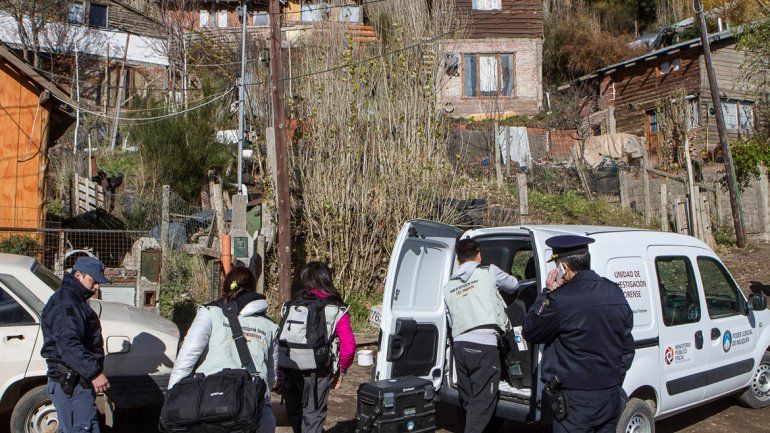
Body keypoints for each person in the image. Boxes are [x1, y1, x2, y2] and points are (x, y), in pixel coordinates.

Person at [523, 235, 635, 433]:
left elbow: (531, 330)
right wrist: (614, 379)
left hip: (574, 399)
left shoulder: (560, 300)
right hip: (609, 393)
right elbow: (626, 347)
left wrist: (546, 293)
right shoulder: (615, 292)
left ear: (563, 268)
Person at [169, 266, 278, 433]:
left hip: (211, 408)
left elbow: (187, 358)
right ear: (253, 288)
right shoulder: (270, 326)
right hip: (254, 414)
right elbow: (271, 377)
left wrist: (172, 400)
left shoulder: (210, 313)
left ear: (226, 288)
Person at [442, 238, 520, 433]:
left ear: (458, 260)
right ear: (479, 256)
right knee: (484, 400)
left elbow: (450, 317)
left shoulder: (448, 286)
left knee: (470, 399)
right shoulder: (489, 271)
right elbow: (514, 285)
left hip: (460, 347)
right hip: (484, 346)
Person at [278, 261, 356, 433]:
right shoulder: (336, 309)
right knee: (313, 416)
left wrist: (279, 372)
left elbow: (280, 340)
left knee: (296, 413)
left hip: (289, 367)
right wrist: (341, 370)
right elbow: (349, 346)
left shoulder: (290, 306)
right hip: (318, 370)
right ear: (326, 279)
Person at [41, 256, 111, 433]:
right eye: (93, 281)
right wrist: (94, 373)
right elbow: (68, 344)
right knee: (81, 428)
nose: (96, 287)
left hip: (75, 381)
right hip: (72, 383)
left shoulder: (74, 299)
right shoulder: (68, 303)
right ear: (78, 275)